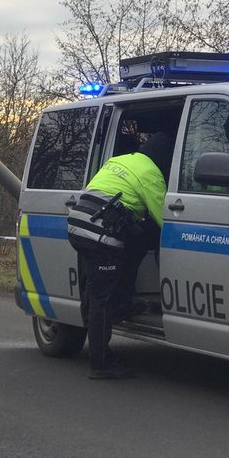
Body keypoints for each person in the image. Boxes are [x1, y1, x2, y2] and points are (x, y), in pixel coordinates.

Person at [66, 132, 172, 380]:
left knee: (99, 286)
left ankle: (123, 305)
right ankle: (101, 363)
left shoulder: (121, 160)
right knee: (100, 297)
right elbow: (164, 222)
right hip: (99, 235)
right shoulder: (152, 175)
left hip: (78, 226)